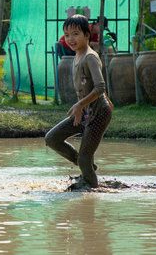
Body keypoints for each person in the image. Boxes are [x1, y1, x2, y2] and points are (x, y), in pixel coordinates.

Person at [45, 14, 113, 189]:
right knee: (52, 138)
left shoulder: (90, 57)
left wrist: (79, 104)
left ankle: (90, 188)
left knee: (84, 157)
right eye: (67, 35)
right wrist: (81, 107)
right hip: (84, 112)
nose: (70, 39)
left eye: (76, 34)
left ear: (87, 35)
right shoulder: (77, 55)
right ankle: (88, 167)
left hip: (98, 113)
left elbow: (100, 87)